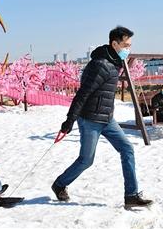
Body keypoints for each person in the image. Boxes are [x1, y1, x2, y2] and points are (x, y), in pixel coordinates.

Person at [51, 26, 153, 208]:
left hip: (107, 119)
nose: (128, 49)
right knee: (86, 160)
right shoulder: (100, 65)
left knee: (127, 148)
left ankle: (131, 195)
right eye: (126, 45)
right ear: (115, 44)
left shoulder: (114, 63)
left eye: (130, 45)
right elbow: (82, 94)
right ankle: (59, 184)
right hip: (89, 120)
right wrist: (69, 121)